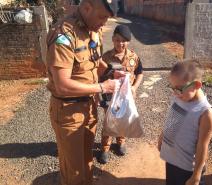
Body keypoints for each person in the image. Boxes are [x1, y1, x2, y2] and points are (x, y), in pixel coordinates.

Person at [45, 1, 124, 185]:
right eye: (102, 16)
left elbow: (93, 61)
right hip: (68, 112)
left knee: (86, 160)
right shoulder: (63, 35)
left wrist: (111, 72)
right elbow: (62, 85)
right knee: (73, 171)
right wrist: (103, 87)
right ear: (87, 7)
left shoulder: (94, 28)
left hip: (89, 106)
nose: (105, 23)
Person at [158, 61, 212, 185]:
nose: (174, 93)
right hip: (172, 159)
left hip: (187, 168)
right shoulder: (180, 96)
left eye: (178, 89)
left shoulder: (205, 113)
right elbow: (173, 118)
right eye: (172, 87)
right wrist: (162, 136)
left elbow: (202, 146)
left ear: (197, 85)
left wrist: (196, 176)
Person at [99, 24, 144, 164]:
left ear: (128, 41)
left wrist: (135, 87)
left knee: (123, 119)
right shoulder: (106, 57)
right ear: (113, 39)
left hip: (127, 97)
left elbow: (140, 73)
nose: (121, 43)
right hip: (111, 97)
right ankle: (105, 148)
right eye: (118, 40)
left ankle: (121, 142)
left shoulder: (134, 57)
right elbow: (99, 77)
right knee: (110, 121)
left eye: (124, 40)